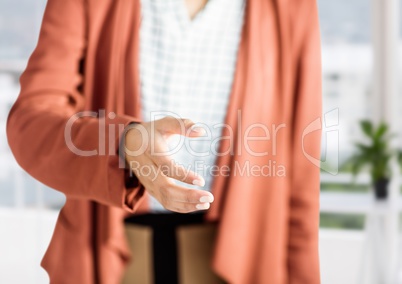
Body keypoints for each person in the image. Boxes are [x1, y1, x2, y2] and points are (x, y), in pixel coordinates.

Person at [6, 0, 322, 283]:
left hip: (236, 255)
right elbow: (31, 123)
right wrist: (121, 141)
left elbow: (300, 177)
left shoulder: (290, 7)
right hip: (109, 249)